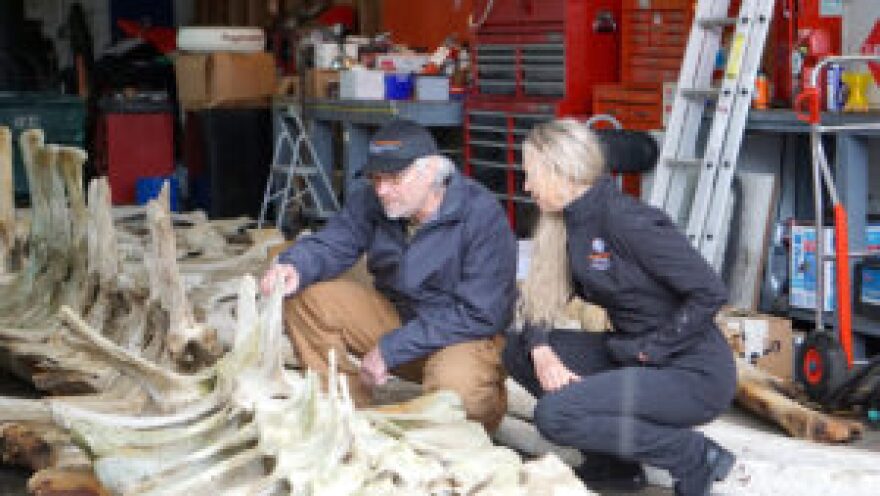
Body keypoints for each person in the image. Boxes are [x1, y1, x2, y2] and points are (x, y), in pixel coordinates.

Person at [503, 119, 737, 496]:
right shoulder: (568, 223)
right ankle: (614, 465)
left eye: (532, 175)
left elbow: (709, 291)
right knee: (519, 350)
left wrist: (650, 349)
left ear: (562, 172)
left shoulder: (627, 221)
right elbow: (538, 304)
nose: (527, 187)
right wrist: (542, 351)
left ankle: (693, 456)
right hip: (631, 352)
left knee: (556, 415)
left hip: (691, 371)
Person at [262, 119, 517, 431]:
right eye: (375, 178)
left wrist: (391, 349)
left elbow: (480, 314)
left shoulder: (480, 215)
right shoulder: (373, 201)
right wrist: (294, 266)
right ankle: (345, 417)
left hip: (463, 335)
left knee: (456, 397)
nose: (382, 190)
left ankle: (485, 404)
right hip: (400, 317)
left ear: (432, 173)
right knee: (304, 297)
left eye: (394, 178)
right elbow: (332, 242)